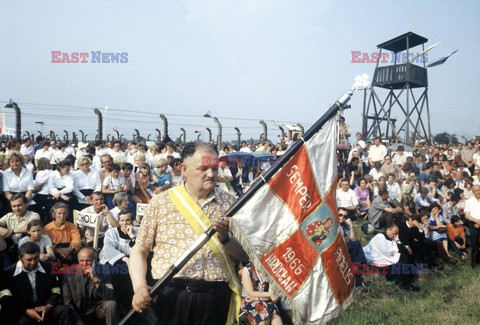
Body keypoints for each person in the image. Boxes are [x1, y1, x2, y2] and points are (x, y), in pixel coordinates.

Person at [129, 141, 247, 324]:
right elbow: (140, 249)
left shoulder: (231, 204)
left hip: (215, 297)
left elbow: (243, 254)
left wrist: (225, 239)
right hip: (172, 294)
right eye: (204, 168)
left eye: (215, 168)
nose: (211, 174)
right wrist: (139, 286)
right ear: (183, 169)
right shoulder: (161, 202)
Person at [4, 242, 74, 324]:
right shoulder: (8, 273)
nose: (33, 262)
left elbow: (56, 289)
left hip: (47, 307)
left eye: (36, 258)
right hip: (23, 311)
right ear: (20, 258)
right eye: (29, 260)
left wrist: (49, 305)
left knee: (64, 311)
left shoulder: (50, 267)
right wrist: (26, 311)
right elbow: (7, 299)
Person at [62, 247, 119, 325]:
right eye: (81, 261)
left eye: (88, 261)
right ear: (78, 260)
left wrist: (96, 280)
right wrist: (78, 321)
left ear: (94, 260)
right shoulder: (69, 272)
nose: (84, 264)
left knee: (111, 304)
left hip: (98, 310)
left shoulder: (104, 270)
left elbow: (110, 296)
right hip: (78, 312)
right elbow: (67, 301)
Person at [99, 209, 138, 309]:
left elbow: (139, 248)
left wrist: (132, 236)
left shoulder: (137, 231)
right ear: (119, 221)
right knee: (121, 274)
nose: (125, 223)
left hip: (132, 262)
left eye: (127, 220)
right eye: (122, 220)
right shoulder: (111, 232)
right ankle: (121, 305)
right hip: (112, 261)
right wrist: (125, 259)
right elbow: (108, 248)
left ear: (132, 220)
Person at [465, 185, 480, 268]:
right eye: (476, 191)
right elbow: (467, 215)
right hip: (474, 225)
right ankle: (474, 264)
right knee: (475, 245)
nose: (478, 192)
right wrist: (476, 221)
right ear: (473, 192)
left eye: (479, 190)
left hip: (478, 223)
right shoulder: (469, 201)